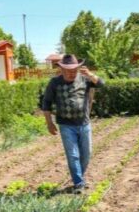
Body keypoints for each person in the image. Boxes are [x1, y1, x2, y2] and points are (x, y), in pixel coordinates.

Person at [40, 54, 105, 194]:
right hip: (66, 125)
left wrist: (90, 74)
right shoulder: (54, 83)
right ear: (62, 70)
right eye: (68, 71)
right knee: (73, 154)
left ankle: (79, 178)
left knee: (86, 154)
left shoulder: (85, 79)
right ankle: (79, 183)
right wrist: (49, 123)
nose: (71, 73)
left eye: (74, 70)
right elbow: (46, 103)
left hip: (84, 123)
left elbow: (101, 84)